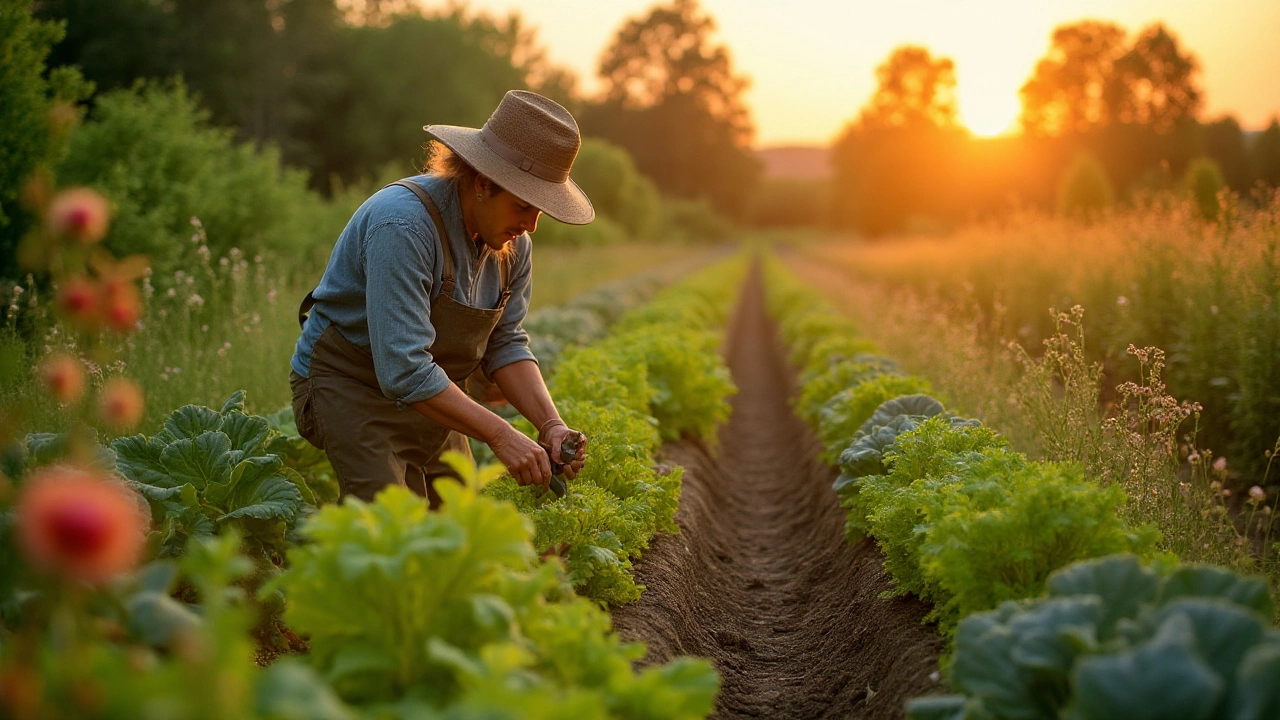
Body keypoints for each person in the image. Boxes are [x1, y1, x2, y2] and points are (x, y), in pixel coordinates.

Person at [289, 90, 591, 504]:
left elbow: (505, 343)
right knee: (395, 532)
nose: (532, 225)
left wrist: (551, 425)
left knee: (456, 527)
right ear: (483, 184)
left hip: (430, 391)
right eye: (524, 205)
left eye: (541, 209)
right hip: (351, 385)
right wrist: (502, 435)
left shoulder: (514, 244)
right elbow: (404, 368)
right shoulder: (403, 226)